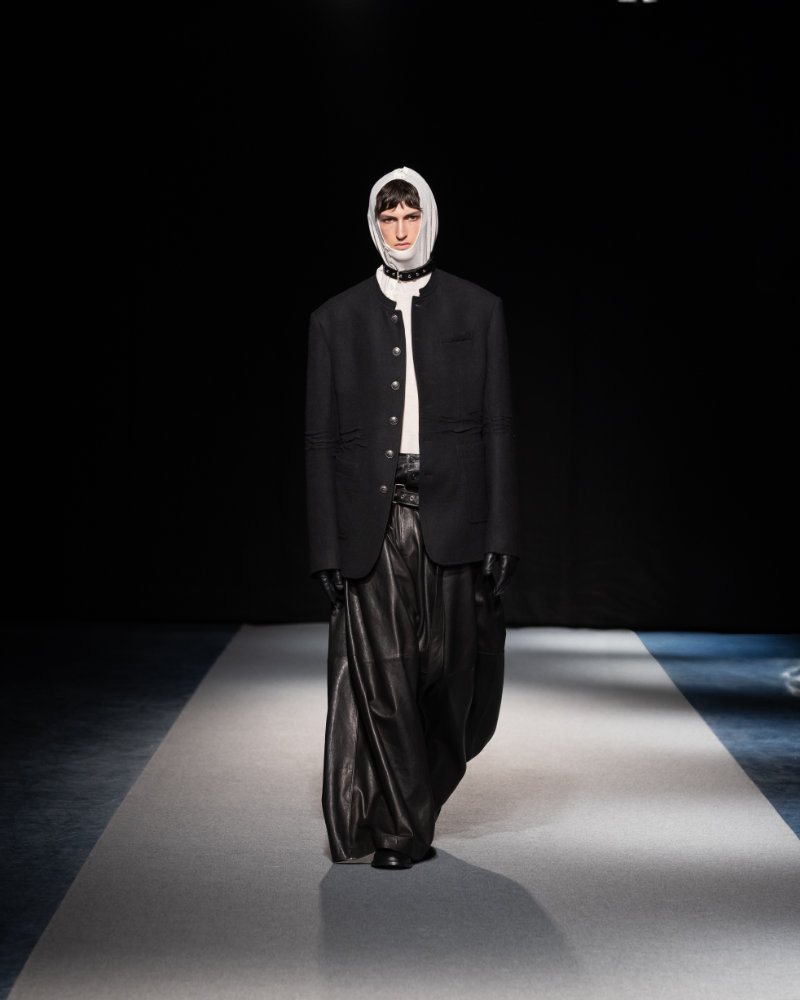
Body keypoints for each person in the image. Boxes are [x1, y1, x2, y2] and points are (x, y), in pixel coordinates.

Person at [305, 166, 519, 870]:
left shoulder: (478, 309)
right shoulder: (335, 319)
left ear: (428, 217)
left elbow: (498, 428)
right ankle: (401, 833)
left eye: (410, 215)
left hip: (454, 516)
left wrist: (502, 532)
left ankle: (412, 798)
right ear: (375, 225)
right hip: (373, 519)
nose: (400, 230)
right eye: (388, 217)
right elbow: (320, 440)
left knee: (452, 679)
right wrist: (325, 546)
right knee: (385, 678)